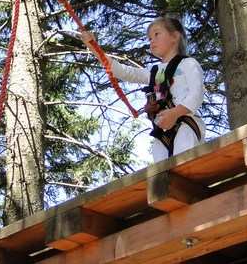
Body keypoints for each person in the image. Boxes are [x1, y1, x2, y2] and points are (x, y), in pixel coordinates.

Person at [81, 16, 205, 162]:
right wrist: (94, 48)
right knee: (162, 174)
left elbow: (196, 94)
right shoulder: (154, 72)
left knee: (184, 164)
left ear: (175, 36)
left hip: (186, 124)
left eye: (157, 34)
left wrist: (175, 113)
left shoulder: (188, 64)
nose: (152, 41)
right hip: (162, 132)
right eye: (149, 38)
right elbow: (122, 71)